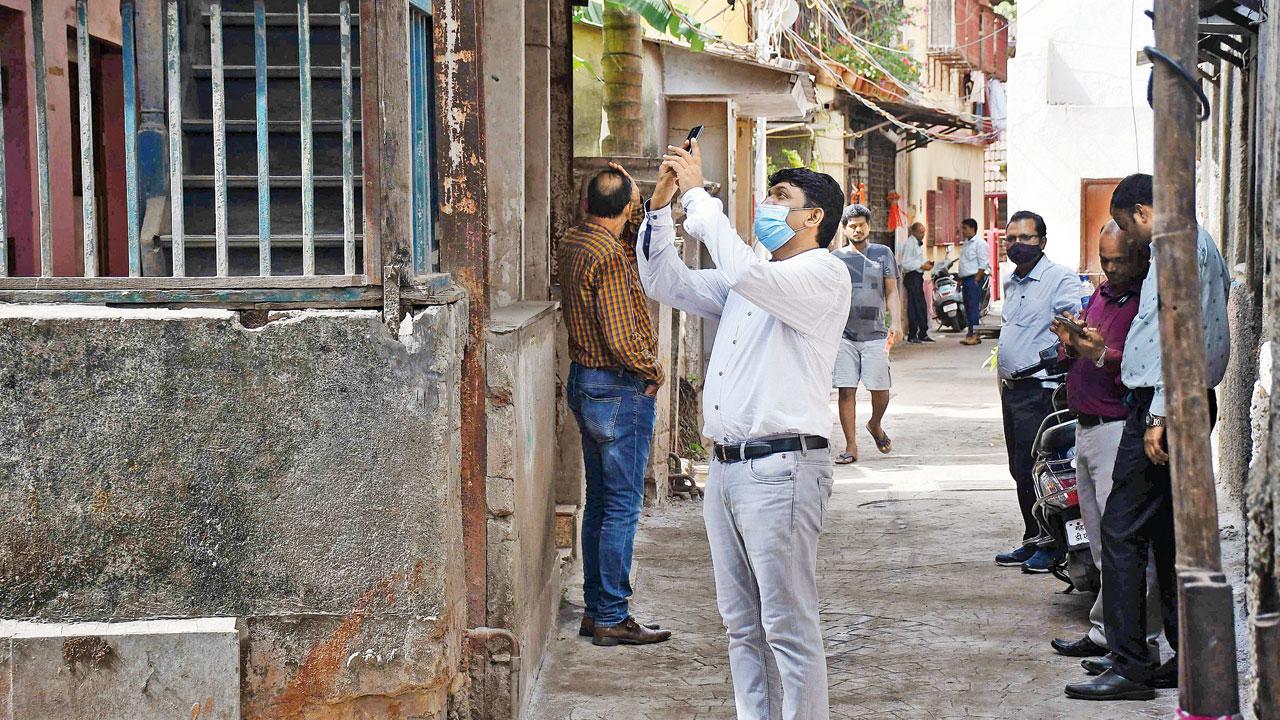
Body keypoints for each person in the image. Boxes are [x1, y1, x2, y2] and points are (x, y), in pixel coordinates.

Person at [637, 139, 850, 720]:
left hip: (782, 468)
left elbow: (744, 270)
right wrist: (661, 208)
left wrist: (700, 196)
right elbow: (666, 283)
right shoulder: (750, 279)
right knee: (740, 624)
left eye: (782, 198)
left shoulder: (822, 274)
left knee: (786, 623)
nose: (769, 206)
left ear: (813, 218)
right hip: (728, 471)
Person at [1066, 173, 1231, 701]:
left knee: (1120, 534)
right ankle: (1180, 660)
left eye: (1120, 224)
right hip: (1178, 401)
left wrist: (1160, 411)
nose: (1123, 237)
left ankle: (1130, 664)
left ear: (1140, 212)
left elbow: (1177, 331)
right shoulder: (1198, 241)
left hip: (1163, 407)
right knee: (1163, 536)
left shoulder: (1172, 248)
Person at [558, 164, 671, 647]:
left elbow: (626, 241)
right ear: (625, 209)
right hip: (617, 388)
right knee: (622, 505)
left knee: (600, 500)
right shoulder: (609, 255)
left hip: (586, 381)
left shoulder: (575, 241)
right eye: (633, 205)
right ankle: (610, 616)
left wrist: (643, 200)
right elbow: (623, 336)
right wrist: (653, 373)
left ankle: (598, 609)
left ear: (587, 205)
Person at [1047, 221, 1162, 666]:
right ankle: (1105, 631)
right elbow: (1085, 347)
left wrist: (1097, 351)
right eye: (1105, 261)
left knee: (1126, 544)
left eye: (1120, 261)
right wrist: (1071, 340)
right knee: (1099, 541)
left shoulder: (1142, 303)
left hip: (1118, 425)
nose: (1111, 270)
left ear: (1142, 258)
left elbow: (1138, 364)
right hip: (1087, 424)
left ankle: (1138, 642)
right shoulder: (1101, 294)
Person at [993, 210, 1082, 573]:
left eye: (1025, 238)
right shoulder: (1012, 282)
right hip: (1013, 390)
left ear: (1042, 241)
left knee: (1041, 469)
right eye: (1011, 238)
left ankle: (1054, 546)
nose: (1017, 244)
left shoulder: (1059, 278)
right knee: (1019, 468)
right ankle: (1033, 538)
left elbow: (1071, 326)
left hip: (1041, 388)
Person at [831, 204, 901, 463]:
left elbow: (891, 292)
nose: (857, 229)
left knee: (880, 388)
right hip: (843, 336)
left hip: (876, 334)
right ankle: (851, 446)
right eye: (852, 225)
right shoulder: (836, 259)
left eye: (861, 224)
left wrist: (895, 322)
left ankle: (875, 424)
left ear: (869, 226)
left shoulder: (882, 254)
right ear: (844, 228)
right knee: (845, 390)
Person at [957, 218, 991, 346]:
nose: (963, 231)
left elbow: (983, 263)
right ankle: (970, 333)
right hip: (966, 279)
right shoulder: (966, 243)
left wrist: (977, 279)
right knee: (968, 308)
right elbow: (965, 263)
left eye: (965, 228)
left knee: (973, 308)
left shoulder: (980, 244)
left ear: (972, 228)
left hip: (973, 279)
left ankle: (974, 334)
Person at [899, 222, 934, 343]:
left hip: (918, 277)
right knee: (914, 306)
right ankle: (913, 334)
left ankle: (923, 333)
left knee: (921, 306)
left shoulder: (917, 244)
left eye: (924, 232)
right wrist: (921, 265)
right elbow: (906, 263)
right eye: (921, 232)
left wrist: (926, 263)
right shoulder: (910, 243)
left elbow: (917, 259)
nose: (923, 235)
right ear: (913, 232)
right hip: (912, 277)